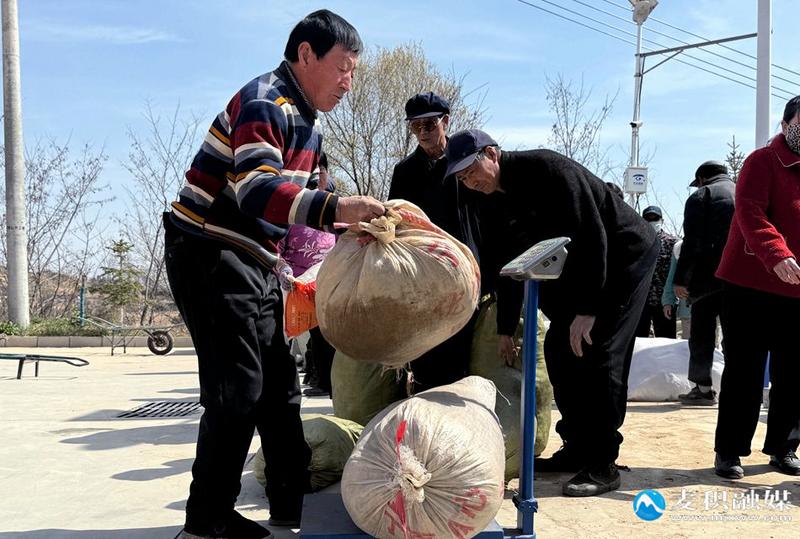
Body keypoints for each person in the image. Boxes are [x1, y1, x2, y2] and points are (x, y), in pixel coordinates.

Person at [164, 11, 383, 538]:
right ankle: (207, 519)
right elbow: (257, 191)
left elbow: (309, 200)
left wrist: (352, 227)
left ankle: (290, 502)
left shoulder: (309, 122)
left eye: (354, 72)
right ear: (306, 54)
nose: (348, 83)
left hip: (258, 260)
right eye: (343, 68)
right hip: (210, 250)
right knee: (237, 389)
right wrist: (340, 209)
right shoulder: (266, 102)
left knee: (281, 388)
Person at [445, 129, 658, 497]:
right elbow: (507, 264)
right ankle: (576, 448)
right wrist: (505, 327)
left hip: (622, 257)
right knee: (560, 350)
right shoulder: (486, 200)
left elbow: (592, 236)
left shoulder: (548, 170)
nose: (470, 181)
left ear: (492, 154)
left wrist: (589, 309)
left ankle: (602, 462)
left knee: (600, 351)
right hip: (576, 272)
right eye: (462, 177)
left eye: (472, 170)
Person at [712, 95, 800, 480]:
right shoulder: (762, 161)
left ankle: (784, 447)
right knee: (744, 371)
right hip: (750, 285)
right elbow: (750, 211)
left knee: (794, 373)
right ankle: (729, 450)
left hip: (796, 291)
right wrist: (776, 254)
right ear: (786, 125)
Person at [388, 92, 482, 392]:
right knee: (427, 359)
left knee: (465, 359)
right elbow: (398, 224)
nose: (423, 133)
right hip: (423, 278)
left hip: (465, 273)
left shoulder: (467, 162)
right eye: (415, 127)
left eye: (429, 125)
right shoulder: (405, 172)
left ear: (446, 121)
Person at [673, 161, 735, 406]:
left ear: (700, 179)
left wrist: (681, 279)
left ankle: (703, 389)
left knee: (702, 336)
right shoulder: (743, 191)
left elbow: (692, 242)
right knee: (738, 338)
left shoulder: (702, 196)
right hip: (739, 280)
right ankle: (738, 389)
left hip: (707, 280)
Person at [276, 153, 337, 397]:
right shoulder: (288, 214)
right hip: (298, 289)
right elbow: (276, 251)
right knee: (309, 336)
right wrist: (285, 272)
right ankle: (319, 379)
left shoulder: (334, 209)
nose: (315, 178)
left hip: (329, 283)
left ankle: (329, 382)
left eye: (320, 171)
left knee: (327, 335)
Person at [635, 206, 678, 338]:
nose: (652, 222)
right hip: (641, 301)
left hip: (665, 301)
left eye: (655, 218)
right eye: (648, 219)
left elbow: (677, 273)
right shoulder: (636, 242)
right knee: (638, 341)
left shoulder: (672, 243)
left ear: (662, 220)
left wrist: (671, 299)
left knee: (666, 341)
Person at [661, 240, 692, 339]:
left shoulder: (718, 240)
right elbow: (672, 277)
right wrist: (668, 302)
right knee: (688, 344)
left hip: (712, 309)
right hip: (688, 309)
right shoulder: (679, 246)